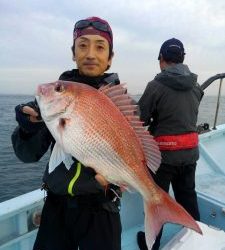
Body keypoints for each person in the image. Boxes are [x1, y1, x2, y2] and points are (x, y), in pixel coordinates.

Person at [11, 16, 122, 250]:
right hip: (56, 207)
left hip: (102, 209)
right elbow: (27, 155)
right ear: (73, 53)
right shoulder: (54, 98)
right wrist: (27, 130)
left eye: (100, 47)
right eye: (83, 45)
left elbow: (131, 156)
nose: (90, 53)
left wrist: (117, 182)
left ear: (110, 58)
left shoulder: (123, 107)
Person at [137, 38, 204, 250]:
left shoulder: (155, 86)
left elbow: (140, 120)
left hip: (163, 159)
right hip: (190, 155)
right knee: (188, 199)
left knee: (156, 204)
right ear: (182, 59)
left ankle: (151, 246)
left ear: (161, 59)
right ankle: (199, 240)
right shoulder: (196, 86)